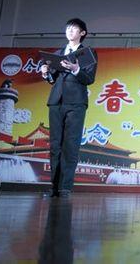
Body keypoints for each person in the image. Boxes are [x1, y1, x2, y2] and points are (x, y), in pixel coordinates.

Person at [39, 18, 97, 198]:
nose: (70, 31)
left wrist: (75, 69)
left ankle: (65, 187)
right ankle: (54, 186)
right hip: (56, 101)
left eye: (74, 28)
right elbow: (53, 80)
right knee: (55, 144)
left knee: (70, 144)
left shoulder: (87, 53)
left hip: (76, 102)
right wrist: (46, 74)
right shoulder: (57, 53)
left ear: (82, 33)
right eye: (68, 28)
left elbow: (89, 78)